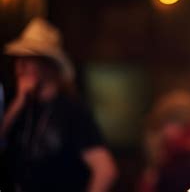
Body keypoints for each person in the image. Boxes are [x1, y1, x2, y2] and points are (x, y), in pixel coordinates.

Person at [0, 18, 117, 192]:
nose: (20, 66)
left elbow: (106, 170)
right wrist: (18, 103)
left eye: (29, 58)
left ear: (48, 65)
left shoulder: (72, 112)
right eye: (19, 58)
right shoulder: (19, 107)